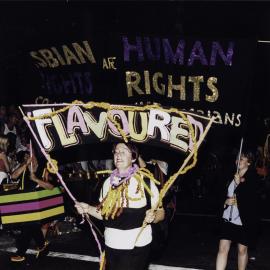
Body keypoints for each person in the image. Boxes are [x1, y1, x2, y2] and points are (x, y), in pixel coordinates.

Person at [75, 143, 165, 270]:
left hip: (136, 246)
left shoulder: (145, 181)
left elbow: (161, 212)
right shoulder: (107, 182)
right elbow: (103, 214)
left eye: (123, 151)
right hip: (111, 244)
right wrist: (87, 208)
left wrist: (154, 216)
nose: (118, 154)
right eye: (116, 152)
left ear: (134, 157)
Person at [216, 150, 260, 270]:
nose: (238, 160)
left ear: (249, 162)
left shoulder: (253, 177)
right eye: (237, 158)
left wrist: (239, 183)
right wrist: (225, 201)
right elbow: (220, 194)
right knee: (223, 248)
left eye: (242, 158)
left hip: (243, 220)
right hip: (228, 218)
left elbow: (252, 200)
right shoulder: (230, 175)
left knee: (242, 250)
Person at [9, 150, 53, 262]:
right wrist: (25, 164)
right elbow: (13, 176)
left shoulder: (43, 170)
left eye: (31, 156)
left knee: (28, 226)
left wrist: (36, 179)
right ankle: (42, 245)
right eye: (26, 157)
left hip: (38, 205)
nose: (29, 158)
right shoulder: (23, 170)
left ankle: (21, 253)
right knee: (31, 226)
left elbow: (50, 187)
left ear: (37, 158)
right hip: (24, 204)